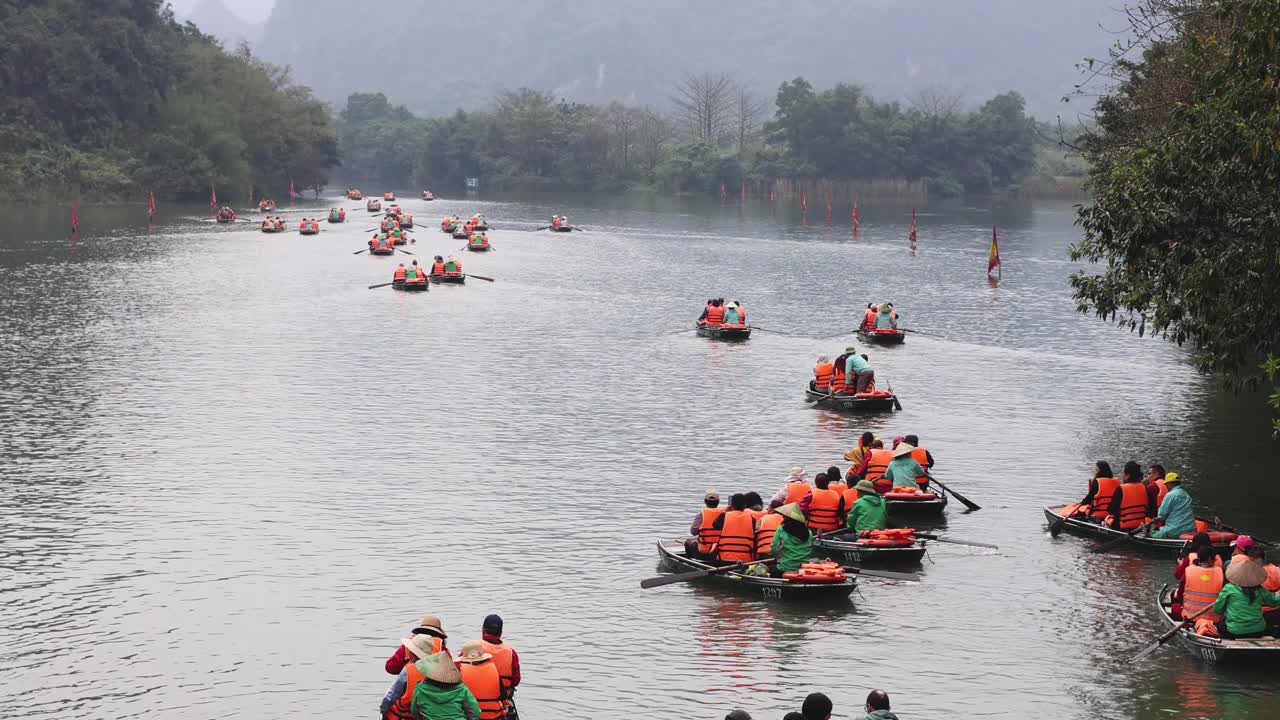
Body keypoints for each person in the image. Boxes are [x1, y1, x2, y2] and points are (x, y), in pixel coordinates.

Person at [381, 638, 465, 719]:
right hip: (430, 711)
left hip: (407, 712)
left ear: (413, 653)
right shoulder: (441, 669)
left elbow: (392, 695)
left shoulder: (408, 670)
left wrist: (383, 710)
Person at [1210, 559, 1280, 639]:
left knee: (1221, 625)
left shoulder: (1229, 588)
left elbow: (1217, 609)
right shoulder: (1259, 589)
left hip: (1234, 631)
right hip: (1258, 631)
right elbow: (1274, 601)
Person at [479, 614, 519, 716]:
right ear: (500, 633)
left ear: (483, 630)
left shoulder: (472, 649)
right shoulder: (511, 653)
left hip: (476, 704)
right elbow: (516, 680)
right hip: (502, 704)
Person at [455, 641, 505, 720]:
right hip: (493, 715)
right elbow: (503, 696)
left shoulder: (460, 671)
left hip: (469, 716)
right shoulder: (493, 668)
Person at [1181, 544, 1225, 629]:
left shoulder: (1189, 571)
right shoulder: (1220, 573)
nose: (1215, 561)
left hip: (1190, 618)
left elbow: (1180, 593)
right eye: (1214, 559)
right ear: (1209, 559)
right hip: (1214, 620)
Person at [711, 493, 759, 562]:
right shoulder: (752, 519)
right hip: (746, 559)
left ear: (732, 505)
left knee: (713, 547)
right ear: (745, 505)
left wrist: (725, 511)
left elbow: (715, 525)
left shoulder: (725, 516)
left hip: (724, 558)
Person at [1106, 460, 1154, 531]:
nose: (1122, 475)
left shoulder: (1121, 488)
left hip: (1122, 526)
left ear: (1128, 475)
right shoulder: (1145, 488)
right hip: (1140, 526)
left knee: (1107, 519)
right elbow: (1152, 509)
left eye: (1123, 473)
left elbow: (1110, 510)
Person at [769, 503, 812, 575]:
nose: (782, 516)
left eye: (784, 516)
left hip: (785, 568)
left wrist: (778, 559)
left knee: (770, 569)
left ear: (786, 517)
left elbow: (774, 548)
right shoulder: (809, 532)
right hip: (803, 568)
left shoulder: (782, 529)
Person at [1151, 473, 1195, 538]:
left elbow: (1161, 516)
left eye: (1166, 484)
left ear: (1170, 483)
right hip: (1192, 529)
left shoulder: (1170, 495)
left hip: (1174, 531)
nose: (1166, 486)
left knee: (1151, 531)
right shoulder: (1187, 495)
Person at [689, 490, 725, 559]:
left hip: (704, 550)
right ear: (718, 502)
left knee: (688, 542)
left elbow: (693, 532)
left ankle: (695, 561)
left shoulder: (701, 514)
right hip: (720, 549)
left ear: (705, 501)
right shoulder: (725, 514)